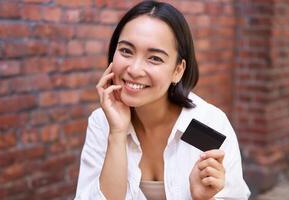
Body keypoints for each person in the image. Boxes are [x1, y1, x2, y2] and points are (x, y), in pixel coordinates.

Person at [74, 1, 251, 199]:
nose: (134, 69)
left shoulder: (208, 123)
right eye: (126, 51)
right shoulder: (102, 122)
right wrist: (117, 133)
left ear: (178, 70)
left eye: (155, 58)